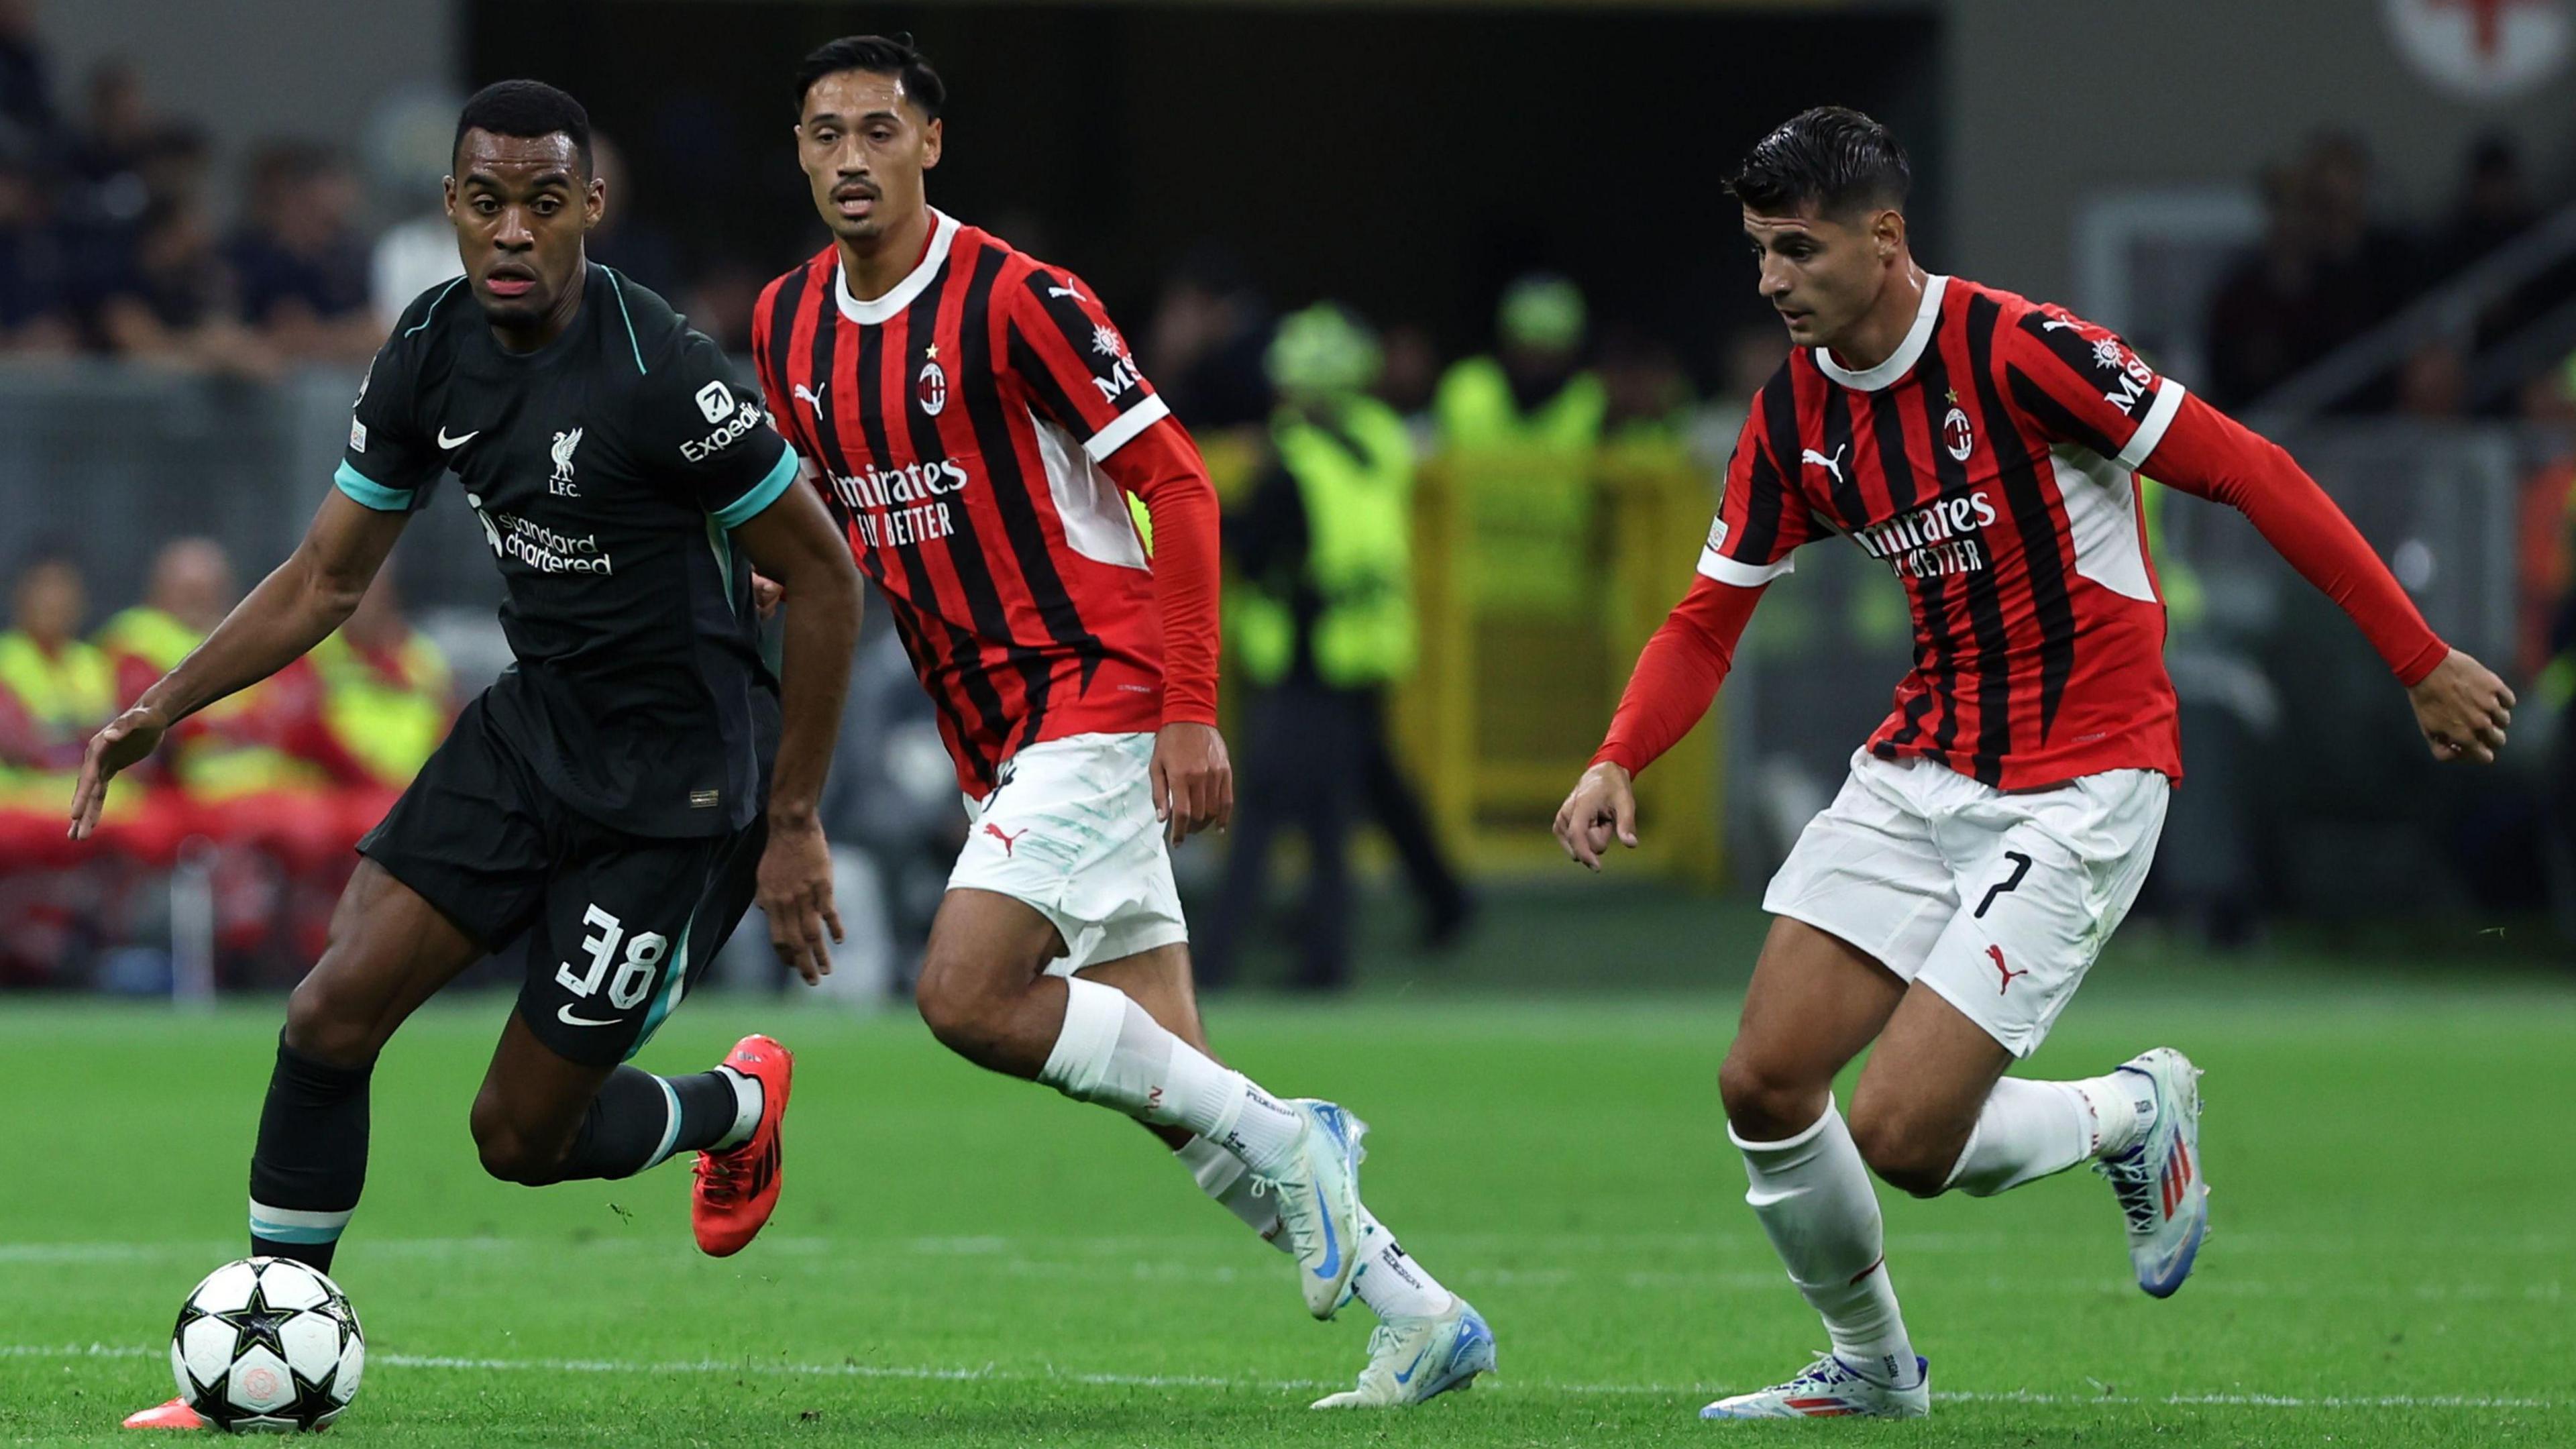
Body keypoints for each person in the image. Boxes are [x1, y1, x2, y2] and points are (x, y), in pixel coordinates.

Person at [1552, 107, 2515, 1422]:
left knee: (1901, 1137)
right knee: (1764, 1080)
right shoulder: (1794, 419)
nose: (1771, 279)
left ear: (1883, 239)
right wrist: (1618, 755)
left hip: (2083, 777)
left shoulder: (2024, 352)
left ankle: (2130, 1113)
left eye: (1796, 249)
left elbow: (2252, 470)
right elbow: (1708, 616)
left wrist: (2418, 658)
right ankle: (1875, 1371)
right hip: (1921, 762)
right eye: (1758, 253)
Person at [87, 80, 863, 1432]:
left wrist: (793, 819)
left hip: (674, 789)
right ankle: (259, 1363)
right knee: (329, 1015)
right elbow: (329, 577)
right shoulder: (433, 347)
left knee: (519, 1140)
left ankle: (733, 1109)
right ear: (451, 207)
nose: (513, 232)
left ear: (589, 212)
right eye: (487, 202)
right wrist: (168, 702)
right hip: (533, 729)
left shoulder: (662, 369)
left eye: (544, 205)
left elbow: (827, 578)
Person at [749, 37, 1492, 1408]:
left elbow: (1183, 488)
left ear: (931, 143)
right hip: (997, 735)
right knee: (1173, 1087)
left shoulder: (1019, 298)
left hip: (1095, 686)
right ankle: (1422, 1312)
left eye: (877, 130)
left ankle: (1302, 1131)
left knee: (965, 995)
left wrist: (1191, 714)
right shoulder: (788, 325)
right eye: (823, 133)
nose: (850, 158)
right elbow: (826, 530)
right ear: (797, 150)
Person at [1203, 303, 1469, 991]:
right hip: (1367, 649)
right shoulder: (1381, 441)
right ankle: (1444, 904)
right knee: (1366, 788)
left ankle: (1238, 960)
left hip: (1305, 656)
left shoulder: (1289, 464)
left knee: (1273, 806)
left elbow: (1252, 554)